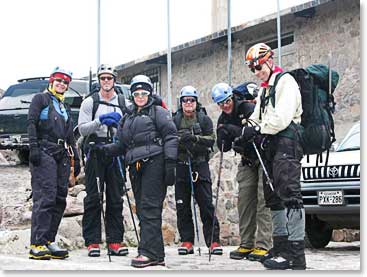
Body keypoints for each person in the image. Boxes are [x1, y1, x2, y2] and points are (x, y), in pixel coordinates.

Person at [102, 75, 178, 268]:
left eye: (144, 93)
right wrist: (105, 150)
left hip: (155, 162)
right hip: (135, 167)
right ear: (132, 95)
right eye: (137, 93)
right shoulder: (128, 116)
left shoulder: (158, 112)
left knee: (150, 207)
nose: (140, 96)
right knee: (143, 210)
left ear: (149, 93)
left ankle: (148, 253)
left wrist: (170, 163)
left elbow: (170, 136)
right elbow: (122, 143)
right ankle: (154, 252)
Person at [243, 42, 306, 270]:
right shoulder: (265, 88)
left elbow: (281, 118)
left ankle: (296, 254)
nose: (257, 72)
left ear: (270, 60)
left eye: (259, 67)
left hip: (288, 142)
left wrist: (258, 129)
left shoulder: (285, 82)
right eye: (253, 69)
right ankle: (280, 248)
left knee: (290, 194)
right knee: (273, 196)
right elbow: (258, 115)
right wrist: (248, 128)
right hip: (271, 144)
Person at [211, 82, 272, 261]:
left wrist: (233, 130)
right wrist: (222, 139)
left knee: (263, 200)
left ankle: (263, 245)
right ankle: (246, 244)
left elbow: (255, 132)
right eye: (221, 103)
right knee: (245, 202)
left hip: (263, 157)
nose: (225, 106)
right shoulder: (223, 119)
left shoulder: (248, 107)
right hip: (246, 160)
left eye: (227, 101)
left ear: (233, 97)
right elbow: (226, 146)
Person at [27, 67, 80, 260]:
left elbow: (70, 135)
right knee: (46, 196)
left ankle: (49, 240)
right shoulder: (40, 99)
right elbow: (31, 122)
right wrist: (33, 148)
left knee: (59, 197)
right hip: (44, 151)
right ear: (51, 81)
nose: (62, 84)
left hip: (62, 154)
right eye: (58, 81)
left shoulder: (64, 106)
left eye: (65, 82)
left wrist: (77, 156)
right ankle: (37, 243)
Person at [78, 64, 130, 257]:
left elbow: (129, 127)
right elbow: (82, 129)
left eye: (109, 78)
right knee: (93, 197)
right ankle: (92, 241)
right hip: (96, 151)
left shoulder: (123, 102)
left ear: (114, 80)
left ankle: (115, 241)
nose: (106, 81)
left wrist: (120, 124)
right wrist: (101, 121)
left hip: (115, 151)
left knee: (116, 197)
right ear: (99, 81)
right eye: (103, 78)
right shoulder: (90, 102)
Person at [173, 86, 223, 256]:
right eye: (185, 100)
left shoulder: (204, 119)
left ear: (196, 102)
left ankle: (213, 241)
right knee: (182, 206)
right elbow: (170, 139)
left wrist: (194, 139)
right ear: (181, 103)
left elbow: (211, 140)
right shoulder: (175, 120)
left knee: (206, 204)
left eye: (191, 100)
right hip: (181, 165)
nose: (188, 103)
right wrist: (181, 142)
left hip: (200, 165)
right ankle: (187, 240)